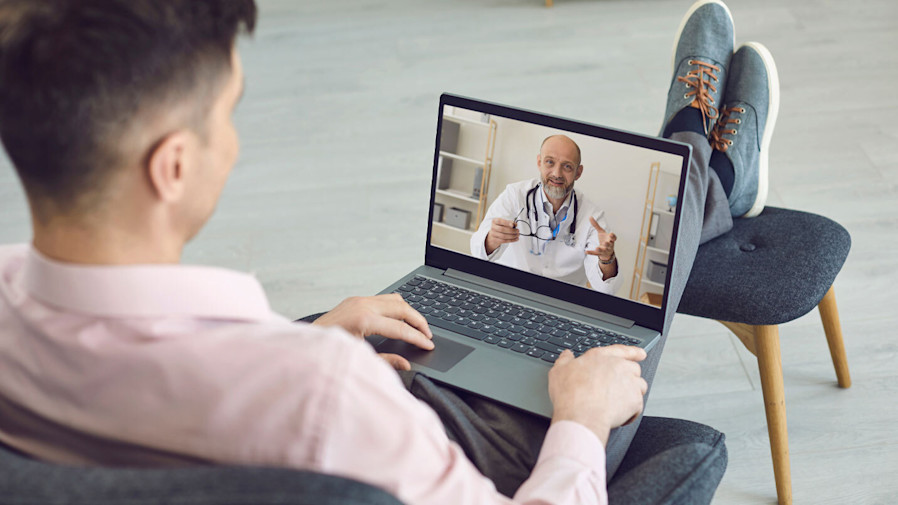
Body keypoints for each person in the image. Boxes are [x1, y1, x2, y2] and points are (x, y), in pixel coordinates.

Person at [0, 0, 776, 503]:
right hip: (471, 447)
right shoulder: (323, 393)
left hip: (335, 402)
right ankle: (706, 154)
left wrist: (304, 335)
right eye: (226, 113)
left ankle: (706, 154)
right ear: (171, 166)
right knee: (620, 332)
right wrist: (578, 417)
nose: (232, 141)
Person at [470, 135, 621, 294]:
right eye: (550, 162)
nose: (557, 173)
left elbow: (607, 288)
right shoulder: (515, 195)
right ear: (539, 163)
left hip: (561, 302)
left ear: (578, 172)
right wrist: (492, 239)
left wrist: (607, 259)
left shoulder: (593, 217)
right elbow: (477, 251)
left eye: (567, 166)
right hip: (508, 291)